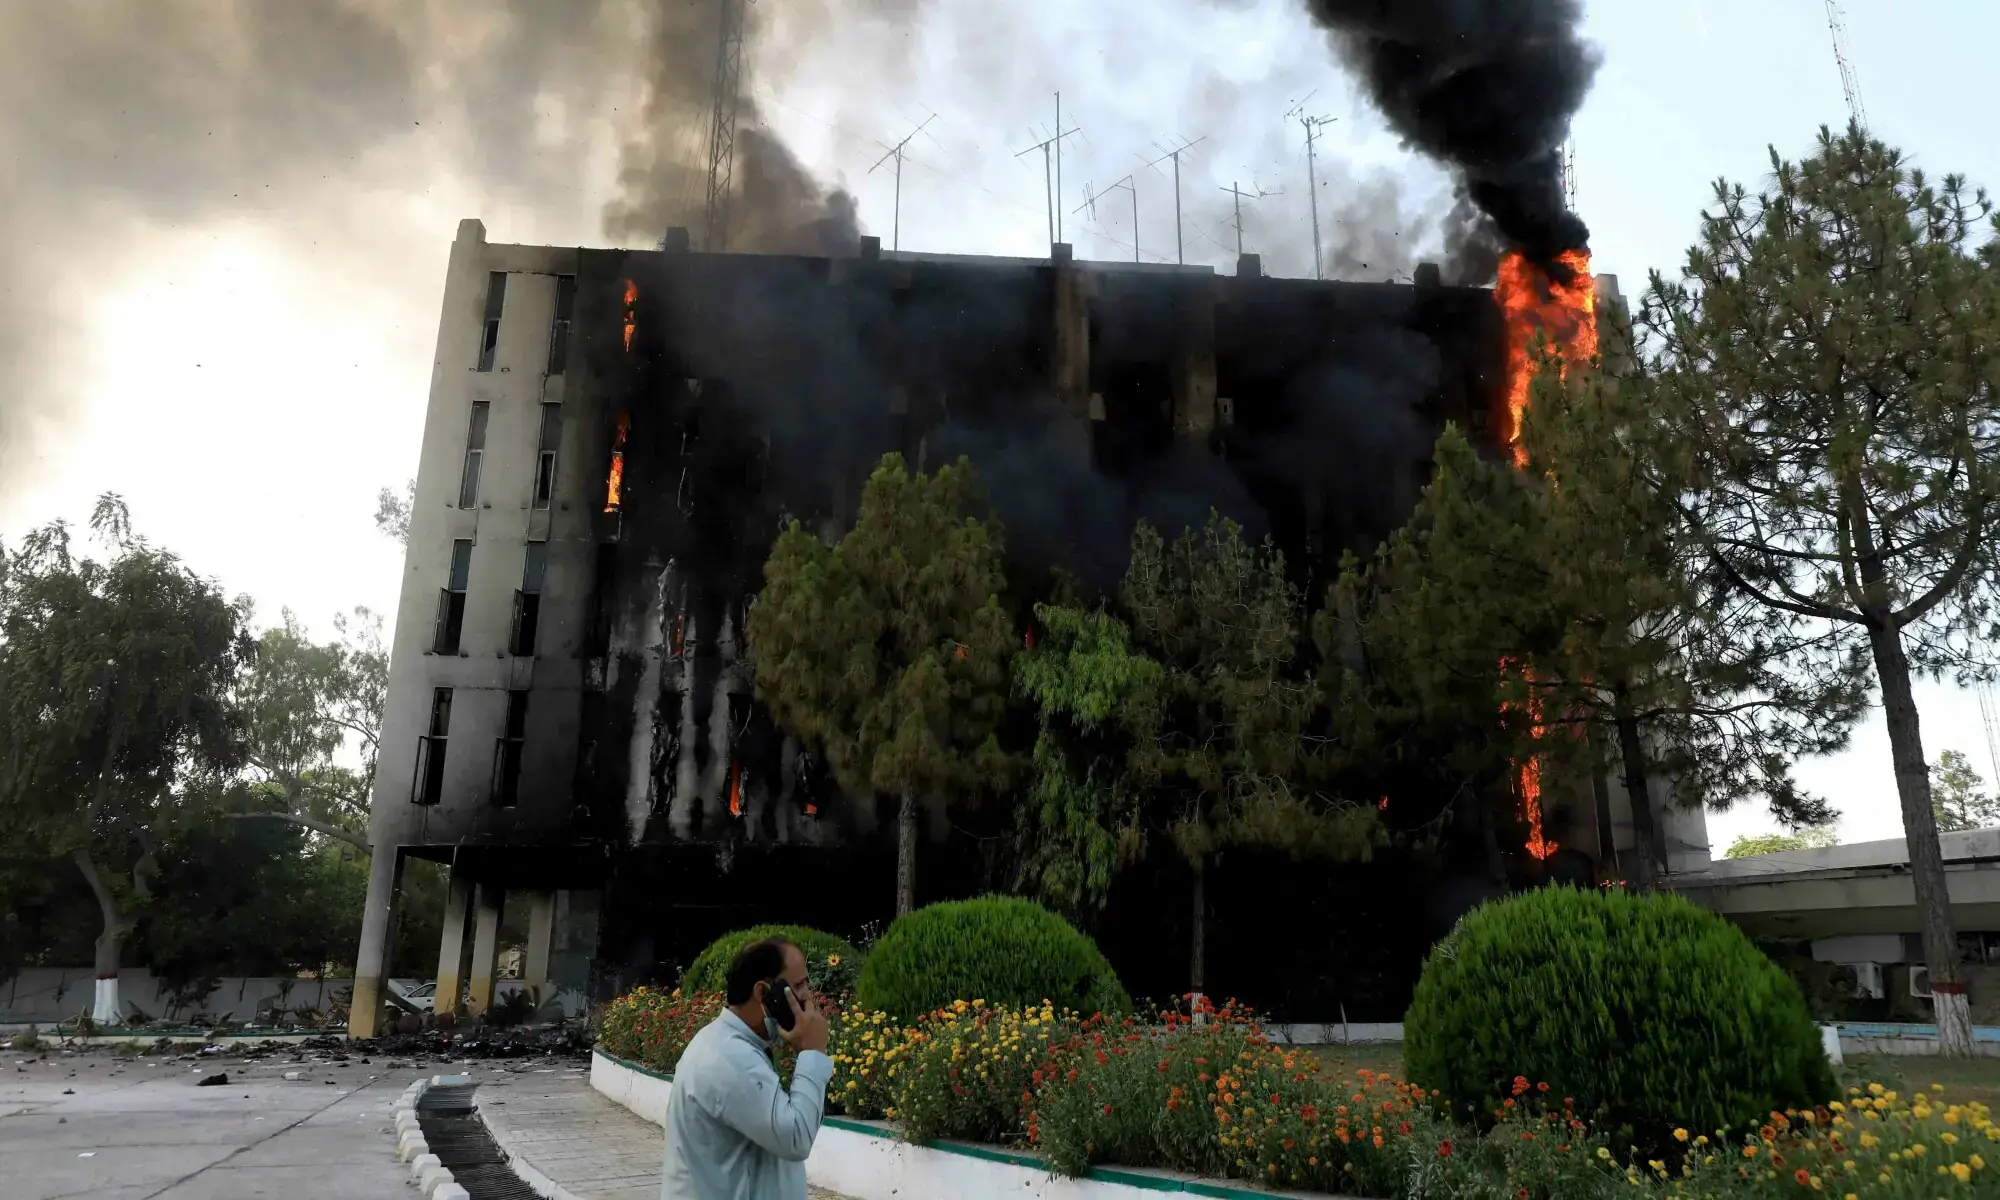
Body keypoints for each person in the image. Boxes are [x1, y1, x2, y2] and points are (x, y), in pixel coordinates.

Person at [660, 937, 832, 1200]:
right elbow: (796, 1137)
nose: (808, 996)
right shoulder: (728, 1057)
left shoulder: (737, 1045)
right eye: (799, 985)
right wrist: (812, 1052)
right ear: (763, 993)